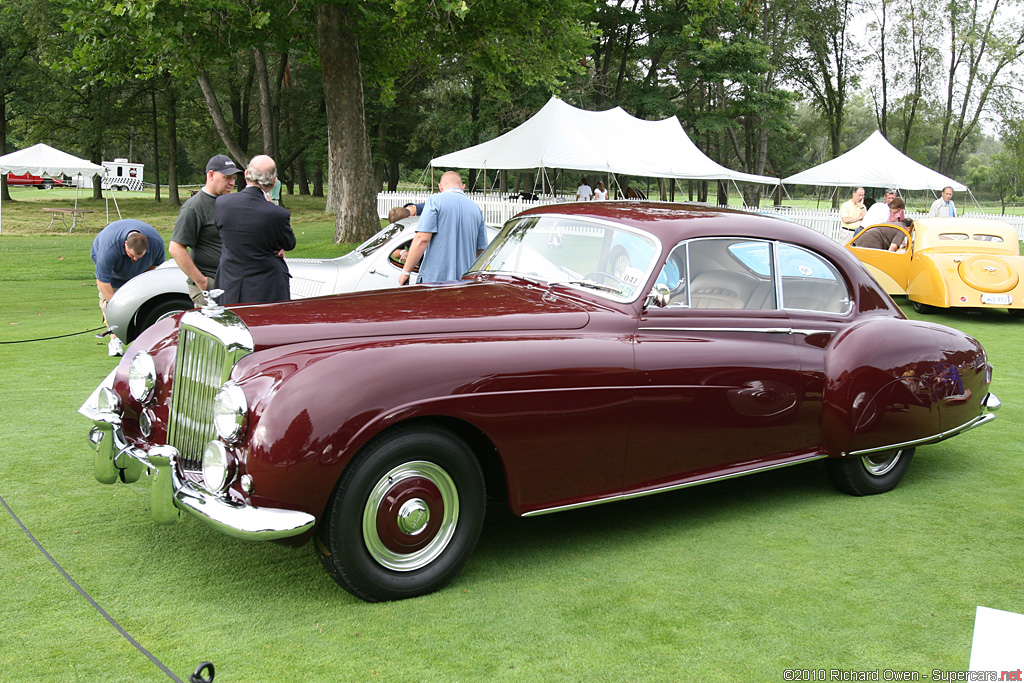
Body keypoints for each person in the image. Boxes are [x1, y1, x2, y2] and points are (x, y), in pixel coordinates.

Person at [214, 154, 296, 305]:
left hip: (230, 283)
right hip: (266, 287)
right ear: (273, 182)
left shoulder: (222, 204)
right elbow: (289, 243)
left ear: (246, 174)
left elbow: (223, 231)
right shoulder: (277, 214)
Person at [168, 154, 241, 307]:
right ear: (211, 175)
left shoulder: (229, 202)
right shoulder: (194, 207)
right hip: (211, 284)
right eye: (227, 178)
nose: (232, 183)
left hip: (232, 281)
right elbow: (176, 248)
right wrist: (202, 281)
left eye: (234, 178)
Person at [398, 171, 488, 285]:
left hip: (435, 280)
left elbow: (422, 239)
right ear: (463, 187)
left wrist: (406, 272)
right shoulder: (476, 209)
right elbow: (481, 250)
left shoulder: (434, 201)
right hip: (465, 281)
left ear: (440, 187)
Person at [91, 219, 166, 355]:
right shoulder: (109, 249)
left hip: (140, 272)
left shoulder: (156, 243)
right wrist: (118, 305)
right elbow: (103, 282)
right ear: (125, 245)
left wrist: (140, 286)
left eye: (139, 256)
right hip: (112, 275)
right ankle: (115, 339)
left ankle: (146, 340)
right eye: (132, 255)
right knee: (109, 304)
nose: (135, 259)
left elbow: (156, 268)